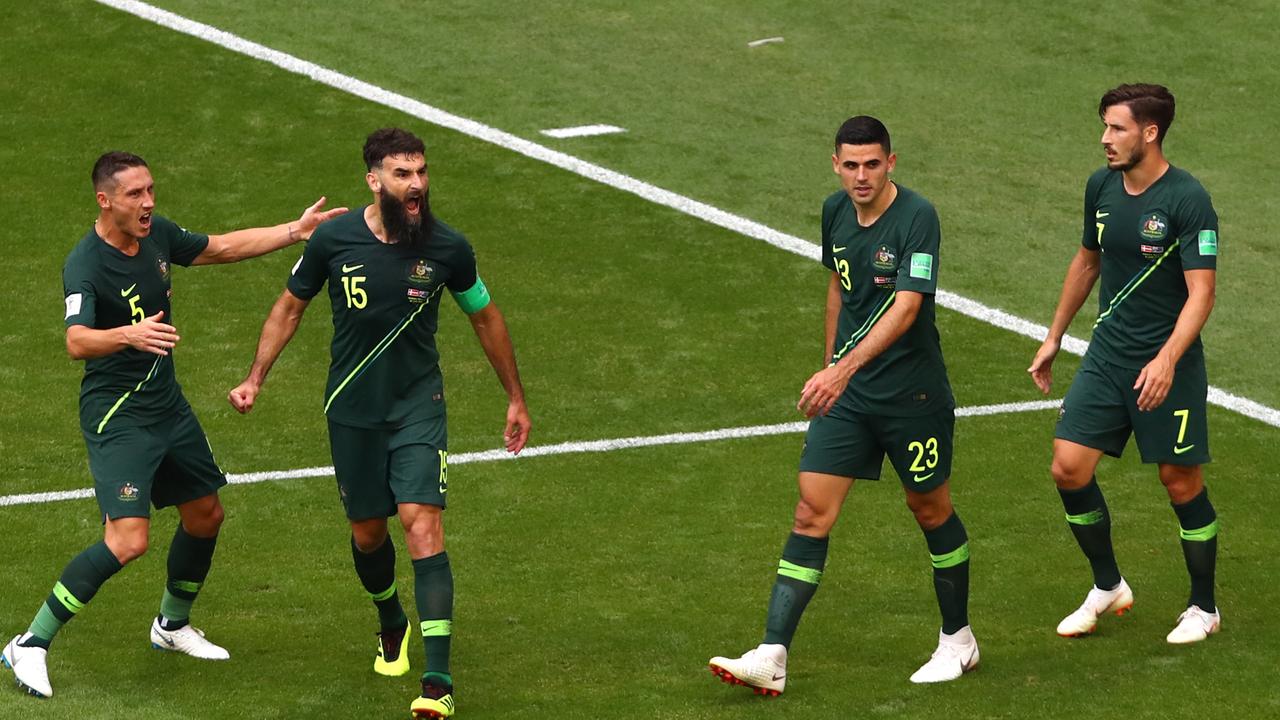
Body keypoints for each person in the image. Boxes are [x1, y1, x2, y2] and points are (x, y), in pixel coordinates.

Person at [1, 151, 345, 699]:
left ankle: (171, 625)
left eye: (151, 190)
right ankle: (30, 643)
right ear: (104, 200)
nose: (149, 202)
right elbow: (75, 341)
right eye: (136, 194)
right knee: (128, 540)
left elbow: (219, 247)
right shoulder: (85, 264)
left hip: (168, 407)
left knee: (206, 514)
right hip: (120, 416)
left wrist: (294, 231)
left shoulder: (156, 235)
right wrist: (128, 336)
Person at [227, 127, 530, 719]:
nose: (416, 185)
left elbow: (486, 319)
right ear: (374, 180)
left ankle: (436, 683)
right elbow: (290, 307)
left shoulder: (448, 247)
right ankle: (391, 619)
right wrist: (255, 377)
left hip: (419, 406)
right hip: (352, 410)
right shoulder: (334, 240)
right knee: (369, 534)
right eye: (402, 174)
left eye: (421, 172)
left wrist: (515, 397)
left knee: (422, 527)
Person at [708, 116, 977, 694]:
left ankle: (958, 641)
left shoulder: (917, 218)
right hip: (851, 399)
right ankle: (773, 655)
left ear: (891, 163)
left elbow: (907, 308)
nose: (861, 176)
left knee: (929, 510)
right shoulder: (834, 211)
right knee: (810, 512)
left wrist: (841, 369)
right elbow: (838, 284)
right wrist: (833, 364)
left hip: (913, 397)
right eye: (851, 165)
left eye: (872, 164)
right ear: (835, 164)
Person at [1028, 84, 1221, 644]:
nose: (1104, 138)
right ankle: (1108, 584)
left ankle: (1204, 607)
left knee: (1179, 480)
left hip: (1168, 365)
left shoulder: (1189, 199)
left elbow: (1201, 293)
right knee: (1068, 467)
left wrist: (1166, 360)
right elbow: (1087, 262)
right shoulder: (1101, 186)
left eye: (1116, 128)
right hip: (1108, 357)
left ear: (1150, 132)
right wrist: (1054, 336)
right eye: (1105, 126)